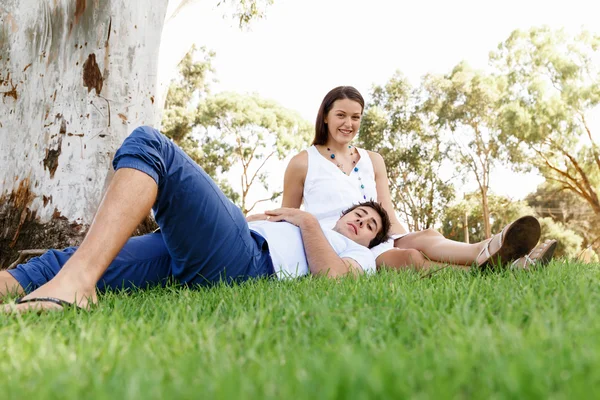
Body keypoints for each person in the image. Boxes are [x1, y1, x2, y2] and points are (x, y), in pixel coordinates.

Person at [1, 126, 392, 312]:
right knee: (71, 259)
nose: (362, 222)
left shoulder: (362, 257)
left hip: (248, 260)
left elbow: (333, 279)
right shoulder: (316, 225)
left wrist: (304, 221)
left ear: (371, 242)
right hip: (200, 251)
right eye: (359, 214)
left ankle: (76, 288)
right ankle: (37, 283)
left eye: (370, 226)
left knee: (151, 144)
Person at [282, 86, 555, 272]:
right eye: (341, 115)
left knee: (426, 236)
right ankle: (505, 262)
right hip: (337, 244)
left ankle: (490, 248)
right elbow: (287, 215)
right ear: (326, 117)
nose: (348, 124)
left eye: (356, 117)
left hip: (375, 233)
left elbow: (386, 210)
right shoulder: (303, 162)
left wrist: (408, 237)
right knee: (411, 259)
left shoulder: (372, 159)